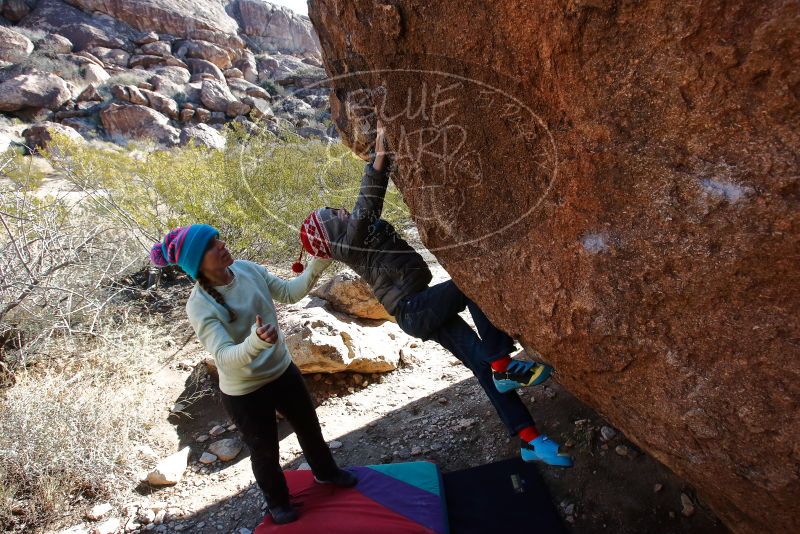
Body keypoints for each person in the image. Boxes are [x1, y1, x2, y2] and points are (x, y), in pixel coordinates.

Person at [293, 125, 573, 467]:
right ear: (330, 233)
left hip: (419, 307)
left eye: (337, 210)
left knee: (478, 364)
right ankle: (504, 365)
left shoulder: (354, 237)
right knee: (471, 287)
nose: (342, 212)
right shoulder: (349, 241)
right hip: (413, 309)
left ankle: (530, 441)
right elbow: (367, 205)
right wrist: (379, 159)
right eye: (334, 216)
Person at [149, 224, 357, 524]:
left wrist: (319, 261)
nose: (221, 244)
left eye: (217, 238)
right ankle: (278, 503)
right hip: (245, 390)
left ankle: (326, 472)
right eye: (210, 245)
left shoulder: (247, 269)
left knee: (309, 427)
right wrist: (256, 342)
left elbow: (289, 292)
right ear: (197, 264)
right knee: (265, 450)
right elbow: (224, 358)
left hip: (281, 369)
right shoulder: (199, 306)